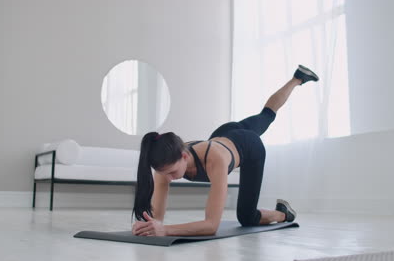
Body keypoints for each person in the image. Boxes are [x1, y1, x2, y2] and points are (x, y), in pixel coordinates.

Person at [131, 65, 319, 236]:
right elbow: (157, 219)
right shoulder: (166, 161)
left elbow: (211, 225)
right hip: (224, 134)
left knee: (247, 217)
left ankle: (284, 213)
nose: (169, 178)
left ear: (184, 156)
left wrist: (164, 230)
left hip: (249, 147)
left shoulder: (215, 161)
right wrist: (149, 225)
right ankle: (298, 78)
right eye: (165, 174)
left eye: (172, 172)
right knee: (266, 115)